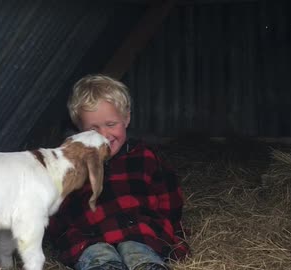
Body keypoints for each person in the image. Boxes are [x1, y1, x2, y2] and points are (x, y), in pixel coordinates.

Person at [48, 74, 189, 270]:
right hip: (90, 237)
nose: (104, 135)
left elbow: (170, 198)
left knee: (139, 252)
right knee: (100, 258)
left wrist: (169, 230)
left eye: (111, 124)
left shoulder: (145, 157)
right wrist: (62, 237)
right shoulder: (69, 164)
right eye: (93, 128)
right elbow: (56, 210)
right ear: (79, 128)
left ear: (126, 118)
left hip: (139, 232)